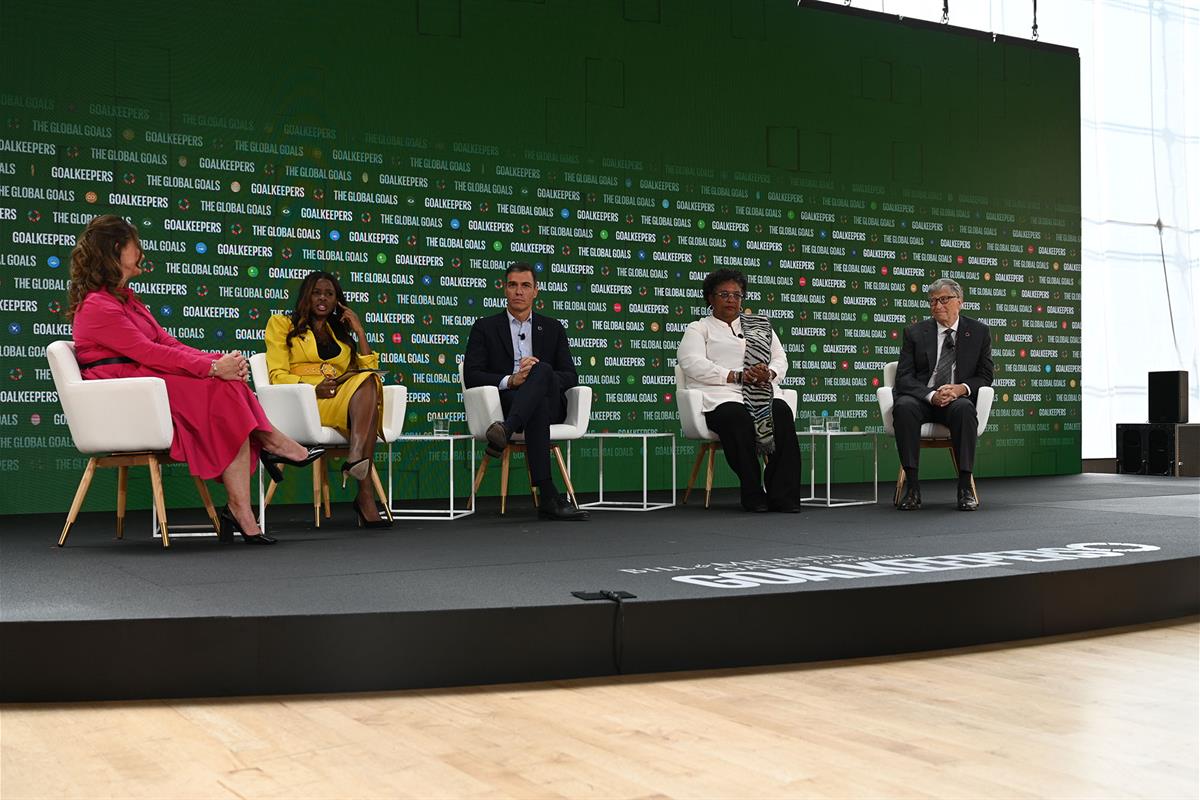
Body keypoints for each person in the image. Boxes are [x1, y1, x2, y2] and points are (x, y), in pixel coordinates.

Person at [68, 215, 323, 545]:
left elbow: (168, 344)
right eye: (136, 245)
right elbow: (149, 353)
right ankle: (270, 449)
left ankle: (246, 500)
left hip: (147, 381)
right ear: (118, 249)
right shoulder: (97, 306)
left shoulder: (127, 300)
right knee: (223, 388)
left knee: (227, 389)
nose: (141, 251)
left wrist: (218, 362)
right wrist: (214, 370)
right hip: (130, 392)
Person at [463, 262, 589, 521]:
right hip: (509, 400)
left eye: (525, 286)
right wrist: (512, 380)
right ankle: (548, 494)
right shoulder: (485, 327)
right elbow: (472, 374)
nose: (519, 291)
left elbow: (569, 375)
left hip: (550, 401)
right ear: (504, 289)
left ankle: (506, 430)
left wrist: (538, 375)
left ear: (536, 291)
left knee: (541, 369)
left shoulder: (553, 328)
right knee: (536, 405)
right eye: (513, 285)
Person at [264, 271, 390, 528]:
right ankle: (364, 494)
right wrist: (313, 387)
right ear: (306, 296)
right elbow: (277, 375)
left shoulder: (339, 333)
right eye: (317, 292)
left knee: (368, 380)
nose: (323, 298)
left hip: (340, 396)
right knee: (369, 404)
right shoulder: (282, 324)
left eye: (329, 294)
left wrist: (360, 331)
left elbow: (367, 368)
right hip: (306, 404)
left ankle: (356, 459)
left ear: (337, 301)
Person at [677, 268, 802, 512]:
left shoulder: (760, 326)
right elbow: (691, 362)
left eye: (737, 295)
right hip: (720, 397)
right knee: (738, 418)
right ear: (710, 299)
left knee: (781, 411)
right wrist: (735, 375)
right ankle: (753, 493)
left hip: (760, 393)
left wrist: (769, 373)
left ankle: (783, 496)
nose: (732, 300)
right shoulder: (699, 328)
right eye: (724, 294)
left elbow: (780, 358)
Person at [893, 277, 993, 511]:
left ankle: (964, 487)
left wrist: (959, 389)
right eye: (933, 301)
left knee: (966, 409)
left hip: (955, 400)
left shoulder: (978, 332)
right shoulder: (914, 333)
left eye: (944, 300)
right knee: (903, 407)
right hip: (923, 399)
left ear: (960, 302)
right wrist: (930, 394)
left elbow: (985, 375)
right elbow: (904, 378)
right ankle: (913, 487)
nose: (938, 305)